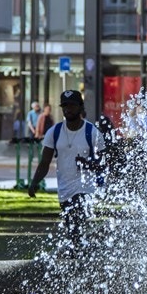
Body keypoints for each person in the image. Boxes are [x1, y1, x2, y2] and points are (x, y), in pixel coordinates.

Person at [26, 89, 100, 244]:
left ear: (80, 107)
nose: (68, 109)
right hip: (65, 188)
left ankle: (76, 252)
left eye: (72, 105)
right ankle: (79, 250)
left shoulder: (92, 132)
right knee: (70, 224)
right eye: (65, 106)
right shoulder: (54, 132)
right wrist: (34, 183)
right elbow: (44, 162)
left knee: (77, 219)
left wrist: (88, 164)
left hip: (85, 187)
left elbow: (105, 163)